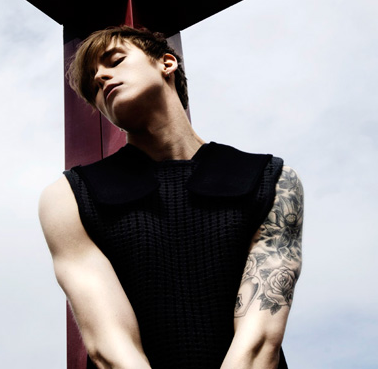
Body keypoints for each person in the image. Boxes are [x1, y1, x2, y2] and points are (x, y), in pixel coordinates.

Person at [39, 25, 303, 369]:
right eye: (92, 85)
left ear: (166, 63)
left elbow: (259, 341)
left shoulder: (272, 179)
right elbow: (111, 349)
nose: (101, 77)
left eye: (114, 61)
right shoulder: (68, 196)